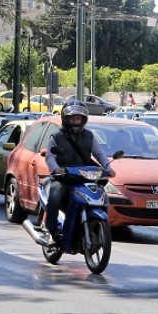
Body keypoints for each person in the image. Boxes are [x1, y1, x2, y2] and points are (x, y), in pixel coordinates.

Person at [42, 103, 115, 245]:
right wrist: (56, 169)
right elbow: (49, 156)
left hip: (84, 176)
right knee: (56, 193)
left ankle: (94, 227)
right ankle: (51, 228)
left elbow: (99, 153)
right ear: (66, 119)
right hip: (64, 177)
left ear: (83, 120)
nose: (75, 122)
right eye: (72, 118)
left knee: (102, 194)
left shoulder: (89, 136)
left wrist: (108, 167)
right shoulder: (57, 137)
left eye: (78, 119)